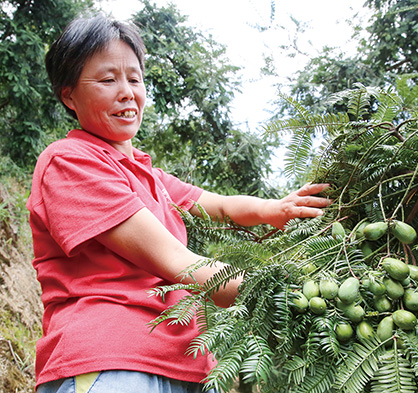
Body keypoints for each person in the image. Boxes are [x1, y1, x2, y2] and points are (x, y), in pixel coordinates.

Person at [27, 14, 331, 393]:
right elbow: (174, 259)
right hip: (113, 362)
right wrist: (276, 292)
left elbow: (216, 204)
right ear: (68, 95)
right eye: (108, 80)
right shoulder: (70, 160)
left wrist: (277, 210)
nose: (127, 92)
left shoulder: (146, 174)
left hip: (188, 366)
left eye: (134, 79)